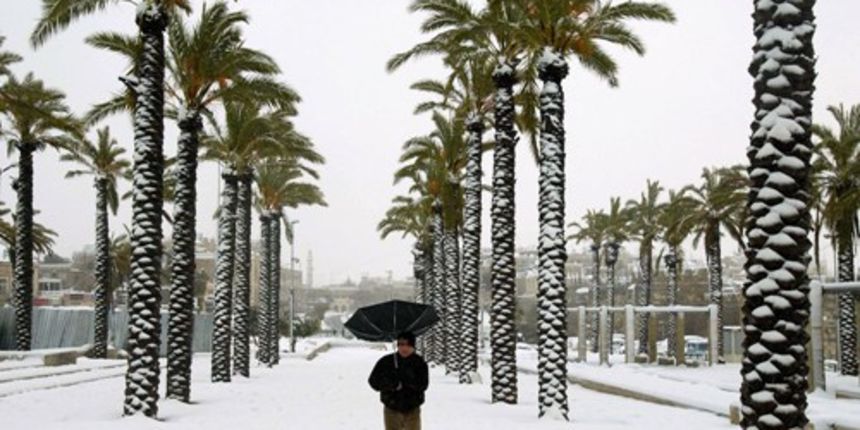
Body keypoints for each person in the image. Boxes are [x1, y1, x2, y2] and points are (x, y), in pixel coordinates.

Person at [368, 332, 428, 430]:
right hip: (392, 408)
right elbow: (373, 382)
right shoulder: (386, 362)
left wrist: (407, 379)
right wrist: (391, 384)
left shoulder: (419, 363)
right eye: (401, 344)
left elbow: (423, 385)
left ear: (413, 346)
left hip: (412, 409)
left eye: (408, 345)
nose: (404, 348)